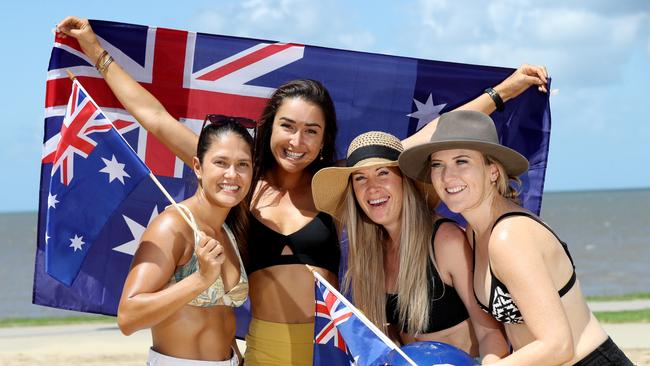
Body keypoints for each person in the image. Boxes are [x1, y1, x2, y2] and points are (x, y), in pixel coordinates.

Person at [56, 16, 547, 365]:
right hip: (265, 345)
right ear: (270, 128)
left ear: (324, 138)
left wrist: (506, 90)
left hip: (331, 343)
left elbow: (428, 137)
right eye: (289, 127)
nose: (298, 141)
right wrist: (96, 52)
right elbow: (157, 120)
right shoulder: (242, 183)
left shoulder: (337, 188)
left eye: (312, 131)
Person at [399, 110, 633, 365]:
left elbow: (558, 345)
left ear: (493, 171)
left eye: (462, 161)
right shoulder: (475, 234)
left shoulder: (509, 236)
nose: (448, 176)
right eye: (437, 165)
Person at [311, 131, 509, 363]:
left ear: (405, 181)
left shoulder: (445, 241)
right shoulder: (368, 254)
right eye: (360, 178)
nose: (372, 188)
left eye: (383, 173)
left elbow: (491, 333)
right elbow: (385, 340)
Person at [117, 115, 254, 365]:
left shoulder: (227, 231)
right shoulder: (173, 226)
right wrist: (200, 279)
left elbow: (218, 314)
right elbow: (128, 317)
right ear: (198, 167)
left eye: (243, 164)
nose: (232, 174)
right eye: (221, 162)